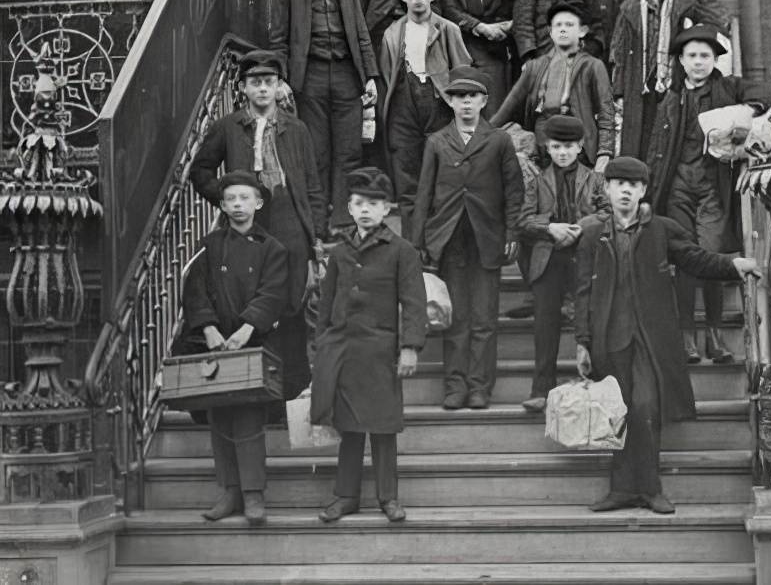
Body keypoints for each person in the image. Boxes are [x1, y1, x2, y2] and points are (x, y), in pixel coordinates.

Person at [574, 156, 760, 514]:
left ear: (643, 190)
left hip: (649, 337)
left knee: (645, 407)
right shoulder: (594, 233)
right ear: (608, 189)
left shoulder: (660, 229)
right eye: (619, 184)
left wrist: (732, 265)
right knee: (617, 412)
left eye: (634, 185)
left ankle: (650, 489)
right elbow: (582, 290)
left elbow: (694, 258)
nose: (626, 191)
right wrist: (582, 341)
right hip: (608, 337)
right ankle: (621, 490)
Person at [191, 49, 327, 402]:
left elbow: (312, 185)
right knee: (252, 304)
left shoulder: (296, 129)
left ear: (279, 86)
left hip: (290, 222)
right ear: (244, 88)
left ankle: (292, 391)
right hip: (247, 226)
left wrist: (317, 237)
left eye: (269, 82)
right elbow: (200, 171)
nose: (263, 89)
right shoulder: (227, 127)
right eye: (255, 82)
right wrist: (229, 198)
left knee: (291, 305)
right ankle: (255, 392)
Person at [310, 167, 427, 524]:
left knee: (382, 426)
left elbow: (414, 302)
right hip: (343, 349)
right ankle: (345, 496)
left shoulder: (402, 250)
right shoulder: (341, 251)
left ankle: (388, 497)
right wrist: (322, 345)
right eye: (359, 203)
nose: (365, 210)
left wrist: (409, 347)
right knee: (348, 426)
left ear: (387, 209)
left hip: (381, 351)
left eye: (373, 204)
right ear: (348, 206)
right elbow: (326, 302)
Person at [648, 24, 768, 363]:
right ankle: (687, 336)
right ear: (681, 61)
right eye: (692, 56)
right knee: (684, 255)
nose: (698, 62)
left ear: (715, 60)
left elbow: (765, 96)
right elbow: (657, 149)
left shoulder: (728, 89)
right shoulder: (670, 100)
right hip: (677, 187)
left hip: (714, 187)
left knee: (710, 252)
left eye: (705, 56)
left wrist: (744, 116)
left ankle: (714, 335)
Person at [411, 67, 524, 410]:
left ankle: (479, 386)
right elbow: (424, 194)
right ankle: (454, 386)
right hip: (449, 238)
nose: (465, 104)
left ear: (484, 101)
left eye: (472, 97)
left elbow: (514, 192)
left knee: (484, 316)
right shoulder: (436, 142)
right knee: (455, 316)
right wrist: (418, 242)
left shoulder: (499, 141)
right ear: (450, 101)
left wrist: (511, 232)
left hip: (486, 237)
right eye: (459, 97)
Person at [181, 171, 288, 526]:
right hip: (215, 345)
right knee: (220, 418)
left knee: (248, 420)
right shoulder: (209, 246)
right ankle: (229, 491)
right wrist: (209, 329)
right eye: (231, 199)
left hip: (252, 344)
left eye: (245, 198)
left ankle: (254, 493)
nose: (238, 205)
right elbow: (194, 290)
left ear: (258, 203)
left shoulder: (272, 248)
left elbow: (273, 293)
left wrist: (246, 330)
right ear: (223, 205)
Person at [268, 0, 379, 229]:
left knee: (349, 151)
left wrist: (370, 77)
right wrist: (282, 80)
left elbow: (360, 34)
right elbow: (278, 41)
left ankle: (344, 222)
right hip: (310, 78)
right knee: (315, 153)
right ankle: (317, 225)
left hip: (347, 76)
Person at [519, 115, 607, 412]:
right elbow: (523, 220)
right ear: (547, 146)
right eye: (556, 147)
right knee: (545, 324)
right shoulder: (537, 180)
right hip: (549, 255)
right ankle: (542, 389)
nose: (562, 153)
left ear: (580, 146)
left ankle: (598, 384)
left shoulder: (595, 179)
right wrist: (550, 228)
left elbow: (607, 213)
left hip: (585, 255)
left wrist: (581, 226)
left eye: (569, 147)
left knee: (590, 320)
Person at [379, 0, 472, 235]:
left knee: (441, 174)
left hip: (438, 103)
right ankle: (412, 245)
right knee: (407, 175)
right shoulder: (392, 33)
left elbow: (462, 71)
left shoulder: (447, 29)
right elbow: (388, 73)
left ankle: (440, 244)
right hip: (403, 104)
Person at [611, 0, 715, 160]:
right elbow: (619, 52)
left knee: (668, 145)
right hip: (638, 85)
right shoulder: (630, 10)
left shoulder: (686, 7)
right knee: (638, 143)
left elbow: (713, 28)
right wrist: (619, 92)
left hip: (672, 84)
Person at [491, 0, 614, 172]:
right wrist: (482, 135)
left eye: (569, 25)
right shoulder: (536, 66)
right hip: (544, 144)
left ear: (582, 31)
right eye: (558, 25)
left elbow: (606, 111)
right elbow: (509, 105)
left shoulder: (593, 66)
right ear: (550, 32)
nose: (562, 29)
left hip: (578, 143)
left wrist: (604, 153)